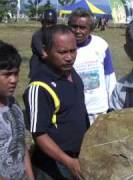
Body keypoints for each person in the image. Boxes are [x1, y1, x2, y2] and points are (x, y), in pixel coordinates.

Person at [23, 25, 89, 179]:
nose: (69, 57)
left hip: (77, 159)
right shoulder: (39, 87)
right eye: (62, 52)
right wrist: (68, 162)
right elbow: (39, 134)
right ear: (45, 51)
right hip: (53, 166)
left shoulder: (72, 73)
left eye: (73, 51)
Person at [68, 8, 116, 124]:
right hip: (75, 111)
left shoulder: (100, 45)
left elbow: (109, 76)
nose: (78, 31)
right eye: (74, 26)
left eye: (83, 27)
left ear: (91, 29)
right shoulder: (64, 47)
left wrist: (112, 106)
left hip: (99, 110)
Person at [0, 41, 34, 180]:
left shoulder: (13, 104)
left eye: (16, 73)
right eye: (7, 74)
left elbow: (21, 145)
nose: (14, 80)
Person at [29, 9, 57, 78]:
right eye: (47, 23)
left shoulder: (56, 35)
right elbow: (44, 54)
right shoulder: (37, 35)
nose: (49, 25)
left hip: (51, 63)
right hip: (38, 63)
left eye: (52, 23)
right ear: (42, 23)